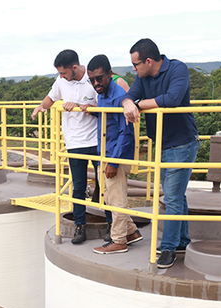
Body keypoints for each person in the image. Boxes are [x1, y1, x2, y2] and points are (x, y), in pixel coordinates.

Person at [122, 38, 200, 269]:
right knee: (176, 196)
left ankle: (168, 248)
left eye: (136, 65)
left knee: (172, 198)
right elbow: (129, 96)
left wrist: (138, 104)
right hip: (162, 145)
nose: (134, 69)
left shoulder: (177, 68)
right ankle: (182, 241)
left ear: (148, 61)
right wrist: (128, 102)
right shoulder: (142, 77)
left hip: (182, 143)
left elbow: (172, 100)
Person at [31, 49, 98, 244]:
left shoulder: (92, 79)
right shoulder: (61, 82)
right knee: (78, 186)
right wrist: (41, 106)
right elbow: (50, 99)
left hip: (95, 140)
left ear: (75, 68)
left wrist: (85, 107)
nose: (61, 77)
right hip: (74, 142)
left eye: (64, 73)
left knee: (105, 184)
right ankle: (80, 226)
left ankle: (110, 223)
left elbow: (103, 105)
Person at [84, 54, 143, 254]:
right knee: (108, 196)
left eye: (99, 78)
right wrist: (93, 110)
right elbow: (107, 118)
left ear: (110, 74)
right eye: (91, 80)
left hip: (115, 155)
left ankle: (119, 240)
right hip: (105, 152)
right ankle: (132, 232)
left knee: (116, 199)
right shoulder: (103, 94)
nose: (95, 83)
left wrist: (113, 162)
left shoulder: (118, 96)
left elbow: (125, 132)